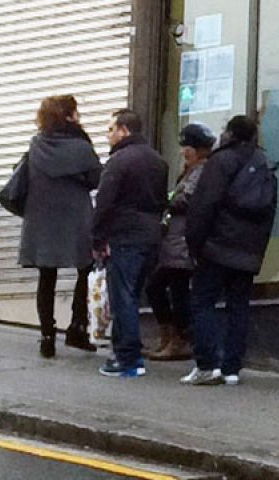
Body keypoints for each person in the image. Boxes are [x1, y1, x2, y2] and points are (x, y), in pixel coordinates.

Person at [181, 116, 277, 388]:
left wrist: (195, 243)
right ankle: (232, 368)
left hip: (216, 246)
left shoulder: (220, 161)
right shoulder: (264, 164)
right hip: (248, 250)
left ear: (231, 134)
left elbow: (203, 206)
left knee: (202, 301)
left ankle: (207, 364)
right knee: (239, 306)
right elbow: (270, 211)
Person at [17, 95, 102, 358]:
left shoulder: (36, 145)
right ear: (68, 115)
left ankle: (47, 336)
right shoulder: (81, 145)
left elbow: (22, 173)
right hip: (75, 215)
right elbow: (95, 178)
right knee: (85, 270)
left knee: (47, 276)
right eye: (75, 112)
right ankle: (78, 327)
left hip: (42, 216)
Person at [93, 109, 169, 379]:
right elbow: (162, 202)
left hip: (124, 236)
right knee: (133, 296)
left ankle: (127, 358)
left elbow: (104, 204)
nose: (108, 135)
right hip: (150, 236)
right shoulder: (158, 161)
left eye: (111, 129)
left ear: (124, 130)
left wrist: (98, 239)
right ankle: (128, 356)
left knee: (122, 298)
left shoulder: (119, 161)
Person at [147, 123, 214, 362]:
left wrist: (164, 201)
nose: (184, 151)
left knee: (174, 290)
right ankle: (169, 335)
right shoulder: (189, 171)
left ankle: (179, 339)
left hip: (183, 241)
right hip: (175, 240)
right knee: (161, 287)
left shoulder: (201, 171)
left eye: (188, 147)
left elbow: (187, 199)